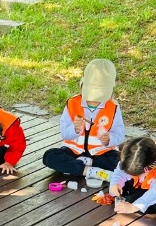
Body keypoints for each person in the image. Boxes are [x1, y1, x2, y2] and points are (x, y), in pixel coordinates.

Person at [42, 59, 125, 188]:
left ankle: (81, 165)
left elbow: (119, 136)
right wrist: (75, 129)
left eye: (98, 98)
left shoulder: (113, 108)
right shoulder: (72, 103)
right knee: (50, 156)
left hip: (101, 153)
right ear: (81, 86)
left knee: (120, 162)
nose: (93, 102)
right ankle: (89, 171)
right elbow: (65, 134)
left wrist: (109, 139)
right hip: (73, 151)